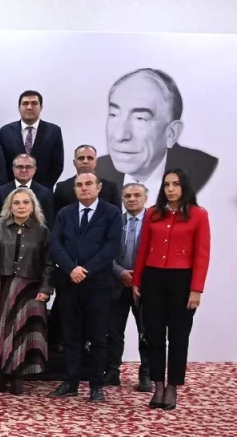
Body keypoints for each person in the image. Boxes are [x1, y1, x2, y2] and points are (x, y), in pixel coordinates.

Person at [132, 169, 211, 411]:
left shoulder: (198, 215)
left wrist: (196, 289)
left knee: (178, 337)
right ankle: (157, 384)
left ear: (184, 187)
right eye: (167, 185)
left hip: (182, 281)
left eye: (175, 184)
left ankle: (172, 386)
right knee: (154, 335)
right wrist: (137, 280)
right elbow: (143, 249)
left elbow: (202, 255)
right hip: (153, 279)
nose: (170, 189)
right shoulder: (153, 213)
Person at [49, 173, 122, 403]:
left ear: (99, 187)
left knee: (98, 337)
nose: (84, 188)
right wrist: (71, 269)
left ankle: (96, 385)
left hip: (98, 285)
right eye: (79, 185)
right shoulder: (65, 213)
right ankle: (70, 382)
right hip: (69, 283)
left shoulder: (111, 213)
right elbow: (55, 243)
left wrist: (86, 270)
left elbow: (111, 247)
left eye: (89, 184)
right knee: (70, 336)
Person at [96, 68, 218, 196]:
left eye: (140, 118)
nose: (120, 135)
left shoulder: (207, 172)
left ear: (171, 134)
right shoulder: (95, 172)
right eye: (114, 114)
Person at [0, 187, 53, 395]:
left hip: (30, 288)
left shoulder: (42, 231)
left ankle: (18, 375)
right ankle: (0, 373)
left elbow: (49, 263)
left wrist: (46, 287)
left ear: (33, 206)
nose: (21, 206)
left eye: (25, 202)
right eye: (17, 203)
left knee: (23, 330)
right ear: (9, 206)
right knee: (1, 330)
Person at [106, 182, 151, 392]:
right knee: (113, 331)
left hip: (145, 287)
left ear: (145, 198)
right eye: (127, 196)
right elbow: (105, 251)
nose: (132, 199)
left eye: (136, 195)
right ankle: (112, 371)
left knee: (146, 331)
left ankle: (146, 373)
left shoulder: (154, 222)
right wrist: (120, 273)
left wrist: (138, 278)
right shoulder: (114, 222)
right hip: (117, 284)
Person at [0, 90, 64, 188]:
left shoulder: (53, 131)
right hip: (12, 190)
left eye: (34, 103)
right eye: (25, 103)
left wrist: (42, 189)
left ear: (41, 107)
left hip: (42, 191)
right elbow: (0, 164)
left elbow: (57, 165)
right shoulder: (6, 131)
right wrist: (10, 187)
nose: (29, 107)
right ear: (19, 108)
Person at [54, 145, 119, 214]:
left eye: (90, 158)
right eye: (81, 158)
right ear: (74, 162)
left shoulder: (110, 187)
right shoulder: (62, 188)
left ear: (96, 162)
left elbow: (117, 216)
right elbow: (56, 217)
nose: (85, 161)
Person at [0, 154, 55, 226]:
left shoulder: (45, 193)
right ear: (13, 169)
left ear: (35, 169)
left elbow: (49, 222)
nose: (24, 170)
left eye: (28, 167)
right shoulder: (0, 192)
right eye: (20, 167)